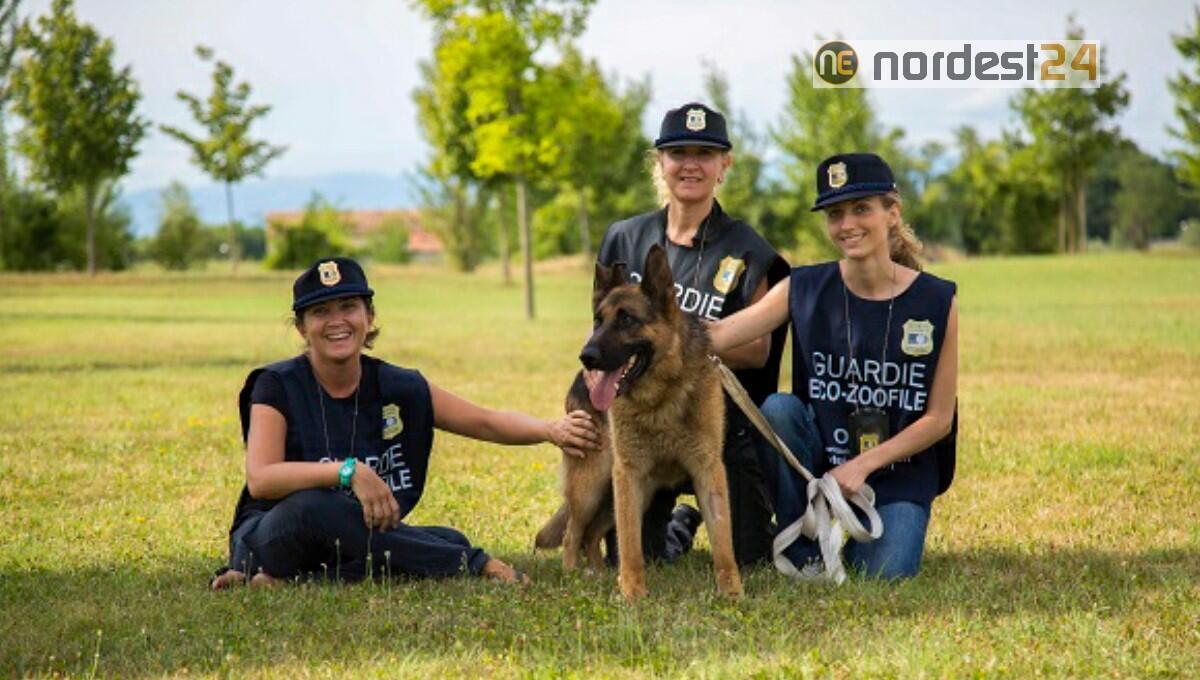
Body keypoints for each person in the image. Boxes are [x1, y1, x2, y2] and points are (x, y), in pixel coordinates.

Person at [212, 257, 600, 589]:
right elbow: (261, 478)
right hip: (277, 533)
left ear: (369, 316)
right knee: (317, 506)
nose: (336, 322)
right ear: (301, 327)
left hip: (353, 537)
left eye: (348, 306)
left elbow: (483, 421)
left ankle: (286, 581)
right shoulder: (275, 385)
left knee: (444, 537)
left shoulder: (397, 385)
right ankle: (474, 563)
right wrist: (347, 472)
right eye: (320, 312)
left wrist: (550, 431)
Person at [708, 153, 959, 579]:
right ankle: (803, 541)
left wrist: (863, 465)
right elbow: (717, 335)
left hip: (898, 473)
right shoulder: (804, 287)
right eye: (835, 213)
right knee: (779, 410)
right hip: (819, 465)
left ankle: (878, 522)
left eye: (862, 209)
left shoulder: (936, 301)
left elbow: (938, 420)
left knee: (880, 576)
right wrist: (637, 328)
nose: (847, 225)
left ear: (892, 213)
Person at [590, 102, 790, 566]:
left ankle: (737, 513)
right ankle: (679, 523)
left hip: (719, 431)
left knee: (749, 559)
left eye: (706, 152)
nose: (691, 164)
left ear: (725, 165)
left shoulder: (746, 247)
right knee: (639, 557)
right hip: (643, 425)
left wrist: (674, 346)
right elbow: (601, 334)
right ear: (659, 162)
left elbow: (757, 349)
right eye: (678, 152)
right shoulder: (625, 239)